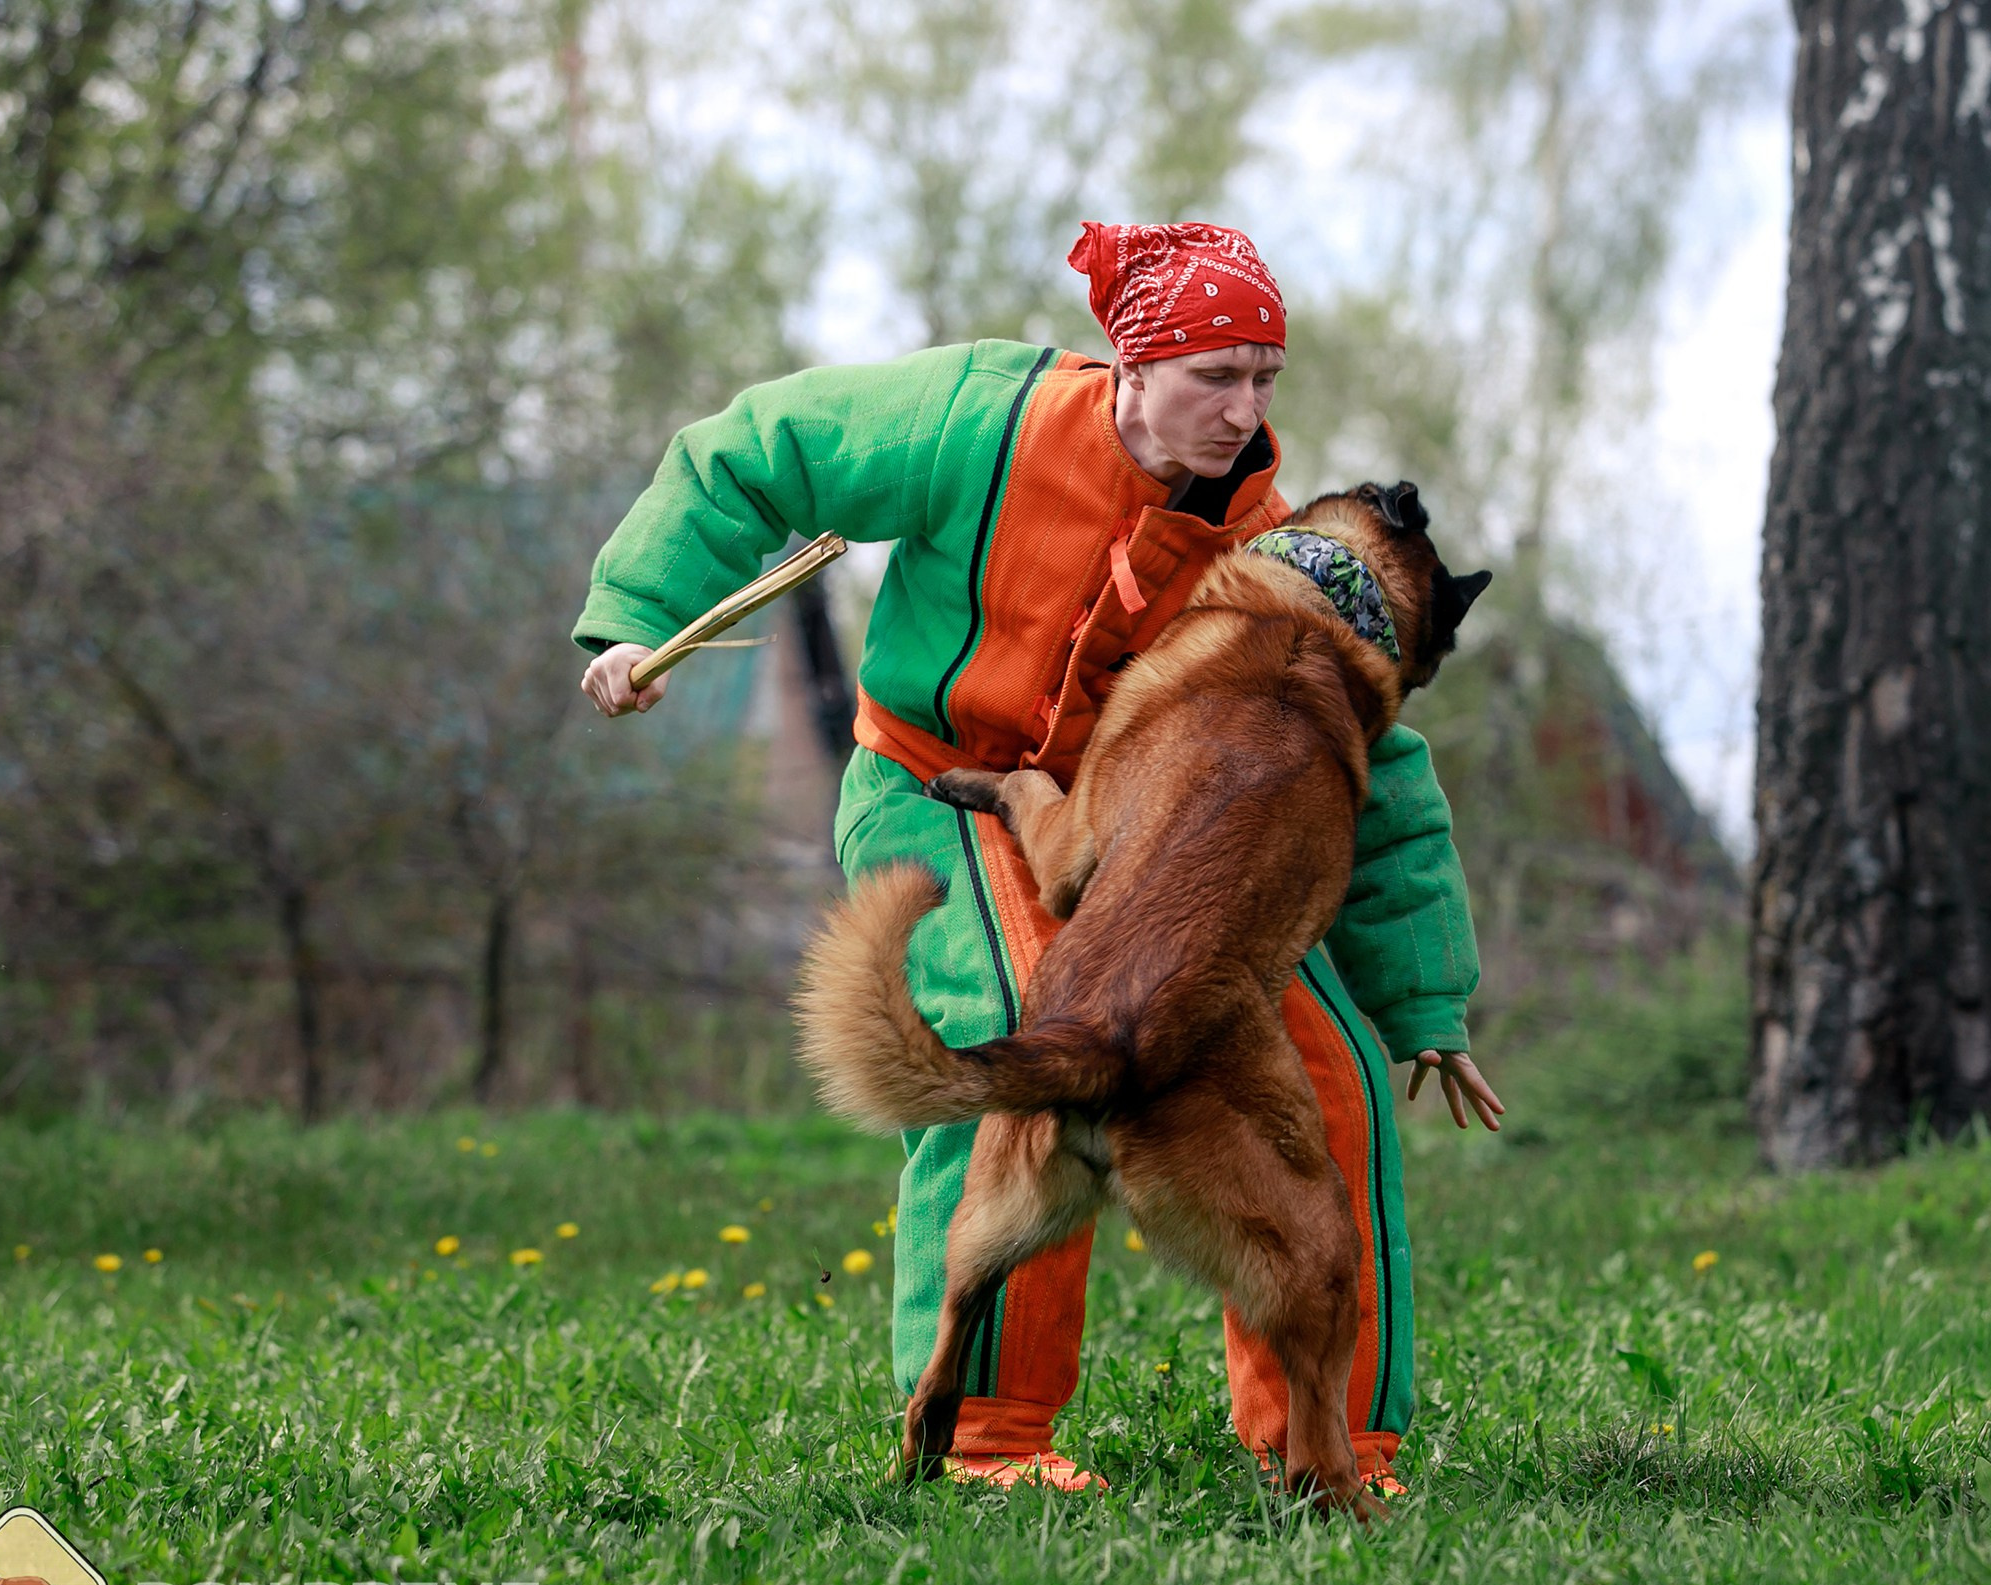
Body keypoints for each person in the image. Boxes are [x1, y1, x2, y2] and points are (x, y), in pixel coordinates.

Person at [572, 220, 1502, 1493]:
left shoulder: (1277, 545)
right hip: (930, 784)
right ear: (1131, 364)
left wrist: (1424, 1000)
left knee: (1328, 1065)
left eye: (1264, 380)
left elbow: (1371, 761)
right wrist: (637, 621)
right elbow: (754, 451)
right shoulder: (976, 417)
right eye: (1213, 377)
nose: (1244, 412)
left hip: (1137, 849)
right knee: (1019, 1022)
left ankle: (1334, 1440)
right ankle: (985, 1436)